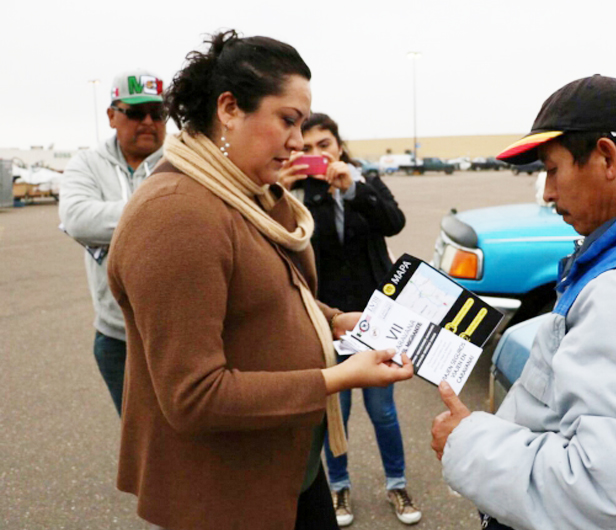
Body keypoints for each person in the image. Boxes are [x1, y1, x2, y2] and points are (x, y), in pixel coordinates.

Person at [105, 30, 413, 530]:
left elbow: (273, 292)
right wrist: (338, 377)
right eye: (288, 120)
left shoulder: (239, 191)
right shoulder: (178, 213)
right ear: (229, 108)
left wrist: (336, 321)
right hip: (230, 493)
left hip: (288, 466)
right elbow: (195, 395)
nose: (298, 140)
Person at [430, 75, 616, 530]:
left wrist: (467, 442)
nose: (549, 193)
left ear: (606, 158)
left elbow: (606, 493)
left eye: (552, 170)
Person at [278, 113, 422, 526]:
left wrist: (353, 189)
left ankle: (397, 483)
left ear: (338, 147)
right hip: (327, 319)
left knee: (384, 411)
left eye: (324, 145)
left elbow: (393, 222)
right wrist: (281, 193)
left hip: (374, 316)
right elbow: (287, 245)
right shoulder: (297, 193)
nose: (316, 154)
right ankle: (338, 488)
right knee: (334, 412)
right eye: (306, 148)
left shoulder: (366, 182)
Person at [59, 69, 166, 415]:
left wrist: (113, 221)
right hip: (116, 337)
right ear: (111, 115)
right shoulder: (87, 164)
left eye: (158, 113)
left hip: (179, 333)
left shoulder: (183, 162)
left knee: (188, 439)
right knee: (139, 437)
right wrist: (164, 214)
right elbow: (78, 219)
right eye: (135, 113)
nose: (148, 121)